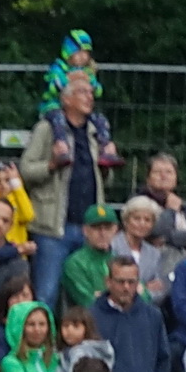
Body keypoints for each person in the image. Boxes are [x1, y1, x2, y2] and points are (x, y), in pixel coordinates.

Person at [22, 77, 108, 309]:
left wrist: (108, 164)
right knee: (46, 294)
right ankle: (41, 343)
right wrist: (51, 164)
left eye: (91, 93)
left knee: (83, 295)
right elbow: (26, 170)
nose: (90, 97)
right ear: (66, 99)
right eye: (82, 92)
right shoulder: (47, 129)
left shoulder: (96, 131)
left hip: (89, 227)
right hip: (52, 228)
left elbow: (103, 178)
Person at [92, 256, 171, 372]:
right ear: (108, 282)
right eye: (121, 282)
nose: (126, 287)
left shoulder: (153, 315)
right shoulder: (92, 316)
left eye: (132, 282)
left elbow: (163, 358)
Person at [113, 196, 170, 305]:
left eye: (147, 220)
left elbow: (160, 290)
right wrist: (144, 287)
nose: (142, 223)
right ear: (126, 221)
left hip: (144, 309)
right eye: (137, 218)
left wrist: (142, 293)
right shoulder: (113, 246)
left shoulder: (154, 253)